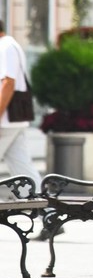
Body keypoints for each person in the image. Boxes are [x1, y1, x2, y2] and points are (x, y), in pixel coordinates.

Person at [0, 20, 41, 191]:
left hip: (6, 120)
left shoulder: (6, 46)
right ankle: (44, 206)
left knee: (22, 166)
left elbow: (8, 83)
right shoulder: (9, 45)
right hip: (13, 120)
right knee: (22, 167)